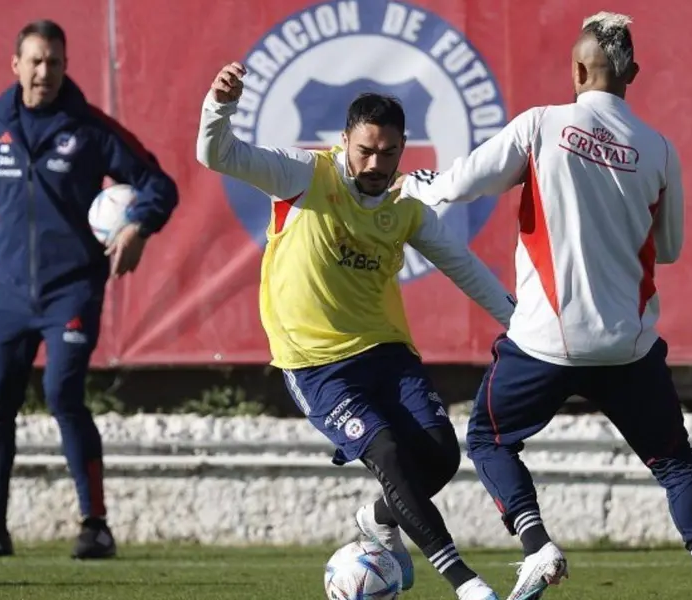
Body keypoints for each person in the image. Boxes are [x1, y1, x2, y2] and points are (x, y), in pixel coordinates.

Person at [396, 11, 692, 600]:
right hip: (627, 344)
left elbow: (458, 185)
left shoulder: (540, 125)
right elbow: (673, 247)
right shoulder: (659, 148)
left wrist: (412, 186)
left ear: (579, 69)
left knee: (488, 440)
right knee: (676, 463)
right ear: (633, 73)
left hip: (545, 341)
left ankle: (537, 545)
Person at [196, 62, 515, 600]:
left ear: (403, 149)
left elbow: (466, 269)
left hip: (386, 352)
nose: (374, 163)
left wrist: (526, 327)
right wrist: (218, 105)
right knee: (388, 453)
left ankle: (375, 516)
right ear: (343, 140)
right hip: (315, 363)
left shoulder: (406, 204)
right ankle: (467, 584)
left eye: (387, 154)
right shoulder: (304, 174)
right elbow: (217, 154)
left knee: (439, 455)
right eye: (364, 150)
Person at [0, 20, 179, 560]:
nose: (44, 72)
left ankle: (95, 526)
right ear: (15, 65)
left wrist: (139, 226)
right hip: (9, 292)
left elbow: (160, 184)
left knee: (63, 394)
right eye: (35, 61)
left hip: (72, 290)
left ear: (65, 67)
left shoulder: (89, 128)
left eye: (54, 62)